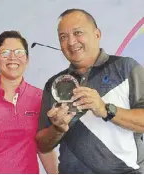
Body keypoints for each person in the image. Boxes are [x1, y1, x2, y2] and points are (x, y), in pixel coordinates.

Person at [36, 9, 144, 174]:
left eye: (78, 33)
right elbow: (42, 145)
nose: (71, 42)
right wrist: (57, 129)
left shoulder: (125, 67)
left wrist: (106, 110)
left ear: (97, 34)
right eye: (63, 37)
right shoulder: (55, 84)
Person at [0, 30, 58, 174]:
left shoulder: (40, 98)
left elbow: (44, 148)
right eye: (5, 53)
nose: (12, 57)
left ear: (27, 59)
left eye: (19, 52)